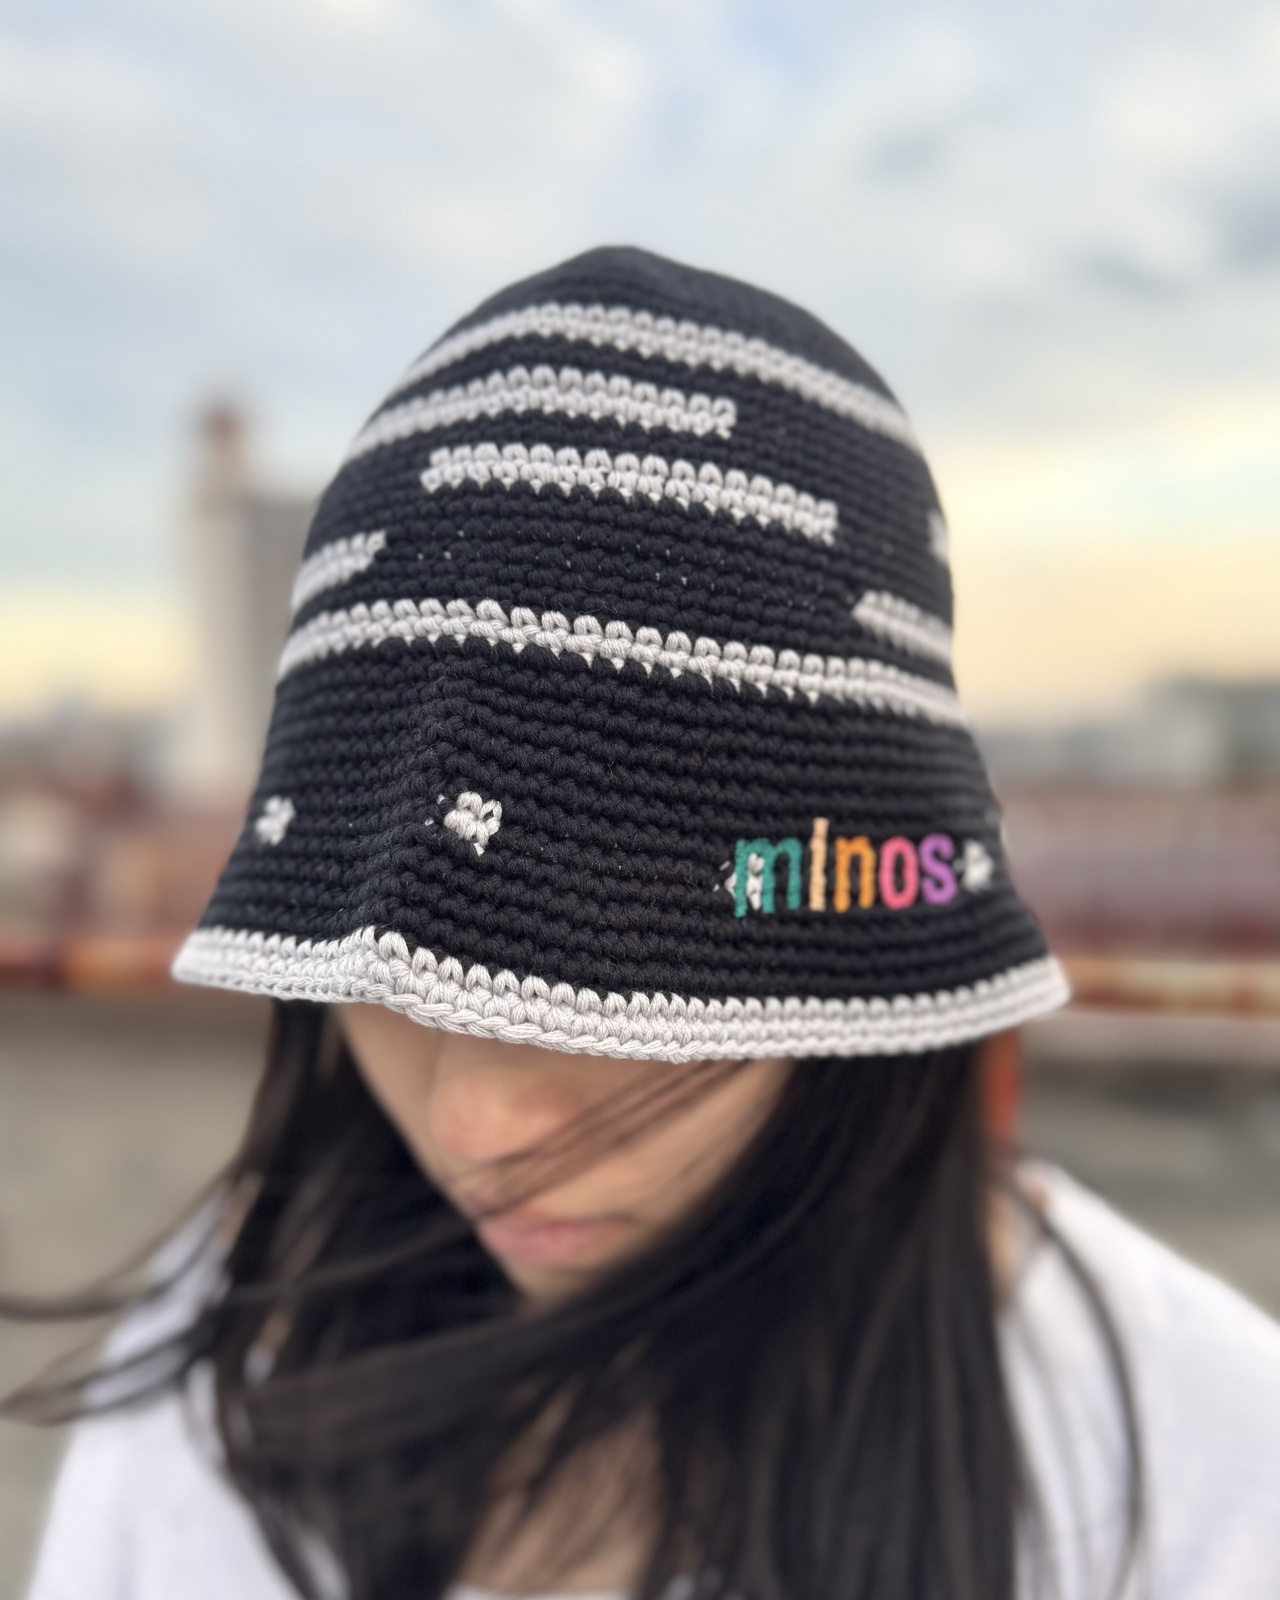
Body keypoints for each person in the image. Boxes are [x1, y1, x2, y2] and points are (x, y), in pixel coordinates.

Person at [7, 248, 1280, 1600]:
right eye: (380, 954)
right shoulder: (222, 1364)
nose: (476, 1125)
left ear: (858, 936)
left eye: (611, 968)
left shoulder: (1200, 1471)